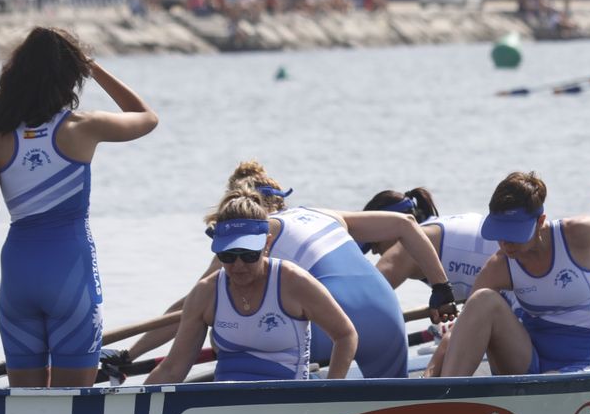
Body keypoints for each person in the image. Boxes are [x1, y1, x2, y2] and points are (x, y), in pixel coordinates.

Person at [0, 28, 158, 387]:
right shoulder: (83, 126)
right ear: (71, 77)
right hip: (69, 278)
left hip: (17, 281)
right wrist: (94, 67)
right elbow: (146, 117)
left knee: (28, 407)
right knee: (72, 407)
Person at [121, 162, 458, 379]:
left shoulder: (252, 235)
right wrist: (441, 287)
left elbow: (188, 310)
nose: (239, 259)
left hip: (336, 326)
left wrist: (130, 353)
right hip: (387, 314)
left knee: (234, 326)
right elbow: (406, 224)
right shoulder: (323, 214)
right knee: (389, 401)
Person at [434, 172, 590, 377]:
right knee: (482, 301)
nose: (506, 244)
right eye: (500, 234)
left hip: (589, 363)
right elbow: (460, 330)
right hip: (530, 362)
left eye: (514, 234)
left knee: (551, 378)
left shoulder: (576, 234)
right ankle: (444, 400)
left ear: (540, 221)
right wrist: (426, 380)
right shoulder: (501, 264)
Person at [143, 193, 358, 384]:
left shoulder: (293, 282)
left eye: (248, 255)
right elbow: (172, 370)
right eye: (227, 255)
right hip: (226, 400)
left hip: (288, 401)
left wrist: (327, 391)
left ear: (267, 244)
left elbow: (345, 335)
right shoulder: (205, 293)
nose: (238, 266)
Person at [361, 188, 498, 302]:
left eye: (374, 242)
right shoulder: (435, 228)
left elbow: (363, 296)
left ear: (390, 228)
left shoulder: (407, 247)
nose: (373, 251)